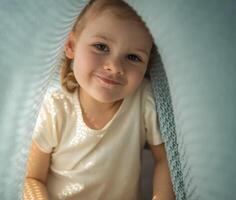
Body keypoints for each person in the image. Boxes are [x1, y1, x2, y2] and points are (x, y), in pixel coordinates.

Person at [23, 0, 175, 199]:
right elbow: (32, 178)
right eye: (101, 46)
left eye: (133, 57)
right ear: (71, 46)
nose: (115, 66)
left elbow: (165, 160)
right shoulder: (56, 107)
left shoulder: (143, 99)